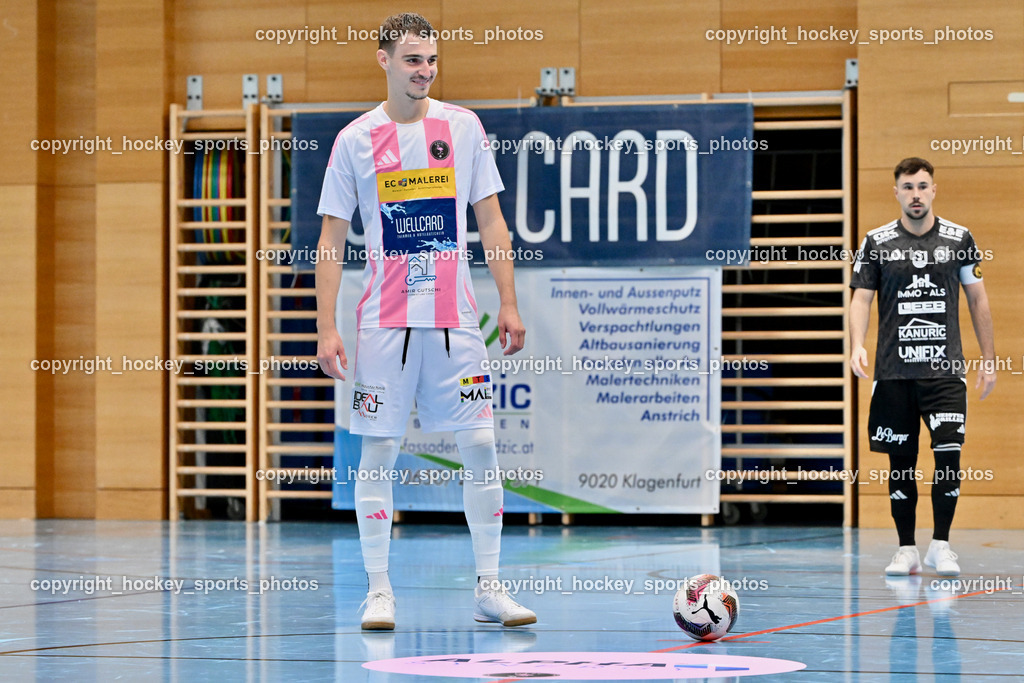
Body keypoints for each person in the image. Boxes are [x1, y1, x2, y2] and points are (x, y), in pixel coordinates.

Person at [314, 12, 535, 630]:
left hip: (455, 323)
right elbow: (331, 237)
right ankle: (378, 590)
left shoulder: (463, 128)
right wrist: (325, 326)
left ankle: (490, 586)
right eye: (413, 59)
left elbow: (491, 220)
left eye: (432, 59)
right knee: (378, 452)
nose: (425, 70)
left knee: (483, 448)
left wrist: (509, 303)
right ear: (384, 60)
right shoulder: (354, 140)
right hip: (384, 326)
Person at [849, 157, 995, 577]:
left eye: (923, 186)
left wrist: (988, 358)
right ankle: (906, 548)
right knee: (901, 460)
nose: (916, 194)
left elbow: (978, 299)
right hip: (894, 372)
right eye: (908, 186)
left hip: (945, 372)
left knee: (948, 455)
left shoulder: (959, 238)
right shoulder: (875, 242)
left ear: (934, 190)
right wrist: (857, 344)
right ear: (896, 192)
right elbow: (860, 298)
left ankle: (941, 545)